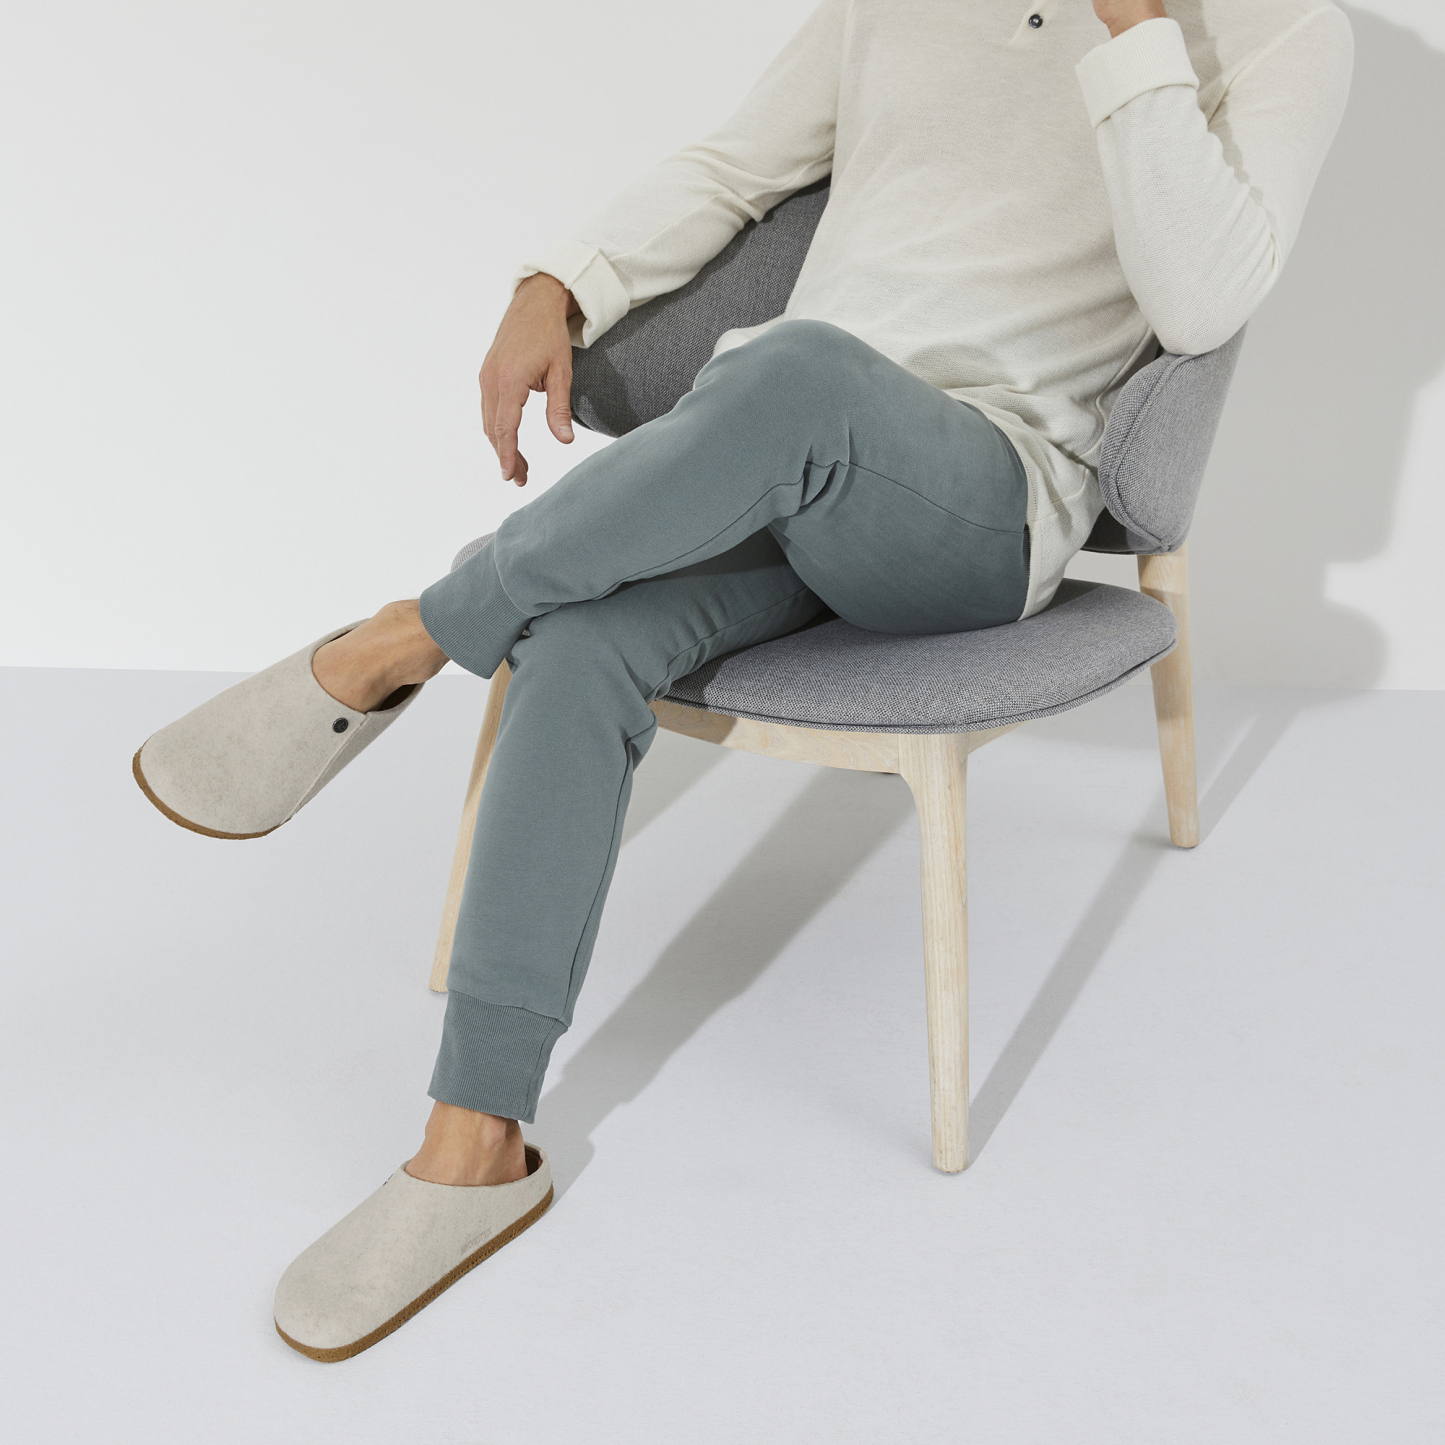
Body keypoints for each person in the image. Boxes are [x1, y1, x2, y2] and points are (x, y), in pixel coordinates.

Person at [132, 0, 1352, 1361]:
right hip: (773, 459)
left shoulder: (1285, 30)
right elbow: (734, 168)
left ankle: (404, 639)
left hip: (979, 502)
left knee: (798, 376)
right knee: (581, 636)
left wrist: (1134, 29)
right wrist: (557, 284)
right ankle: (474, 1140)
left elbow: (1201, 300)